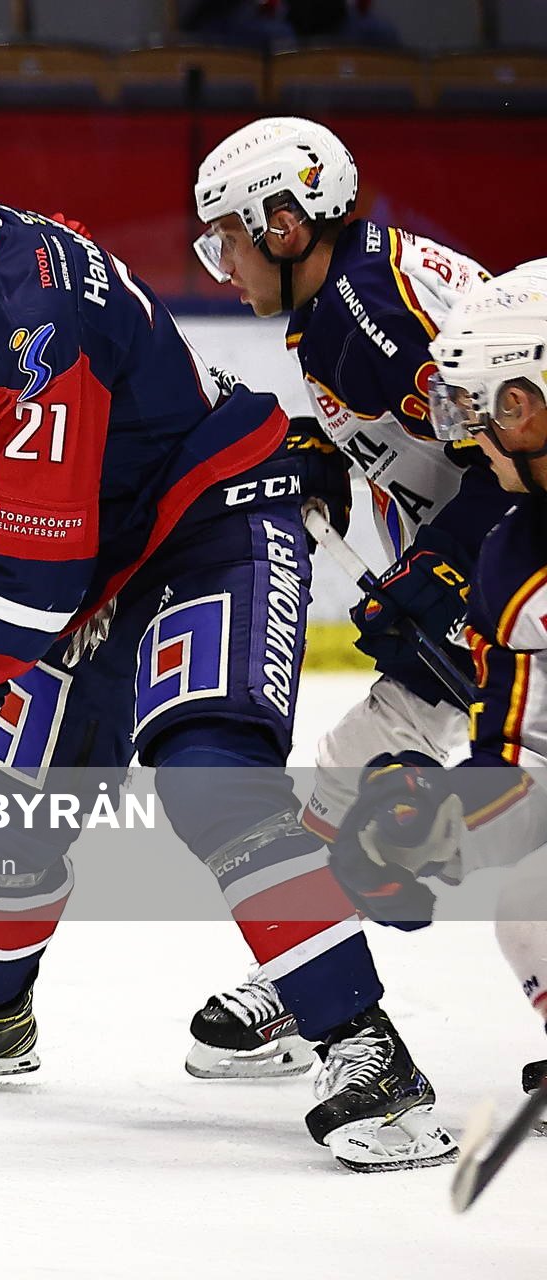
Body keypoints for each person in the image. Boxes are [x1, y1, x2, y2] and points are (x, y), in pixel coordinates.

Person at [0, 101, 450, 1169]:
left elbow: (42, 567)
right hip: (109, 564)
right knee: (19, 788)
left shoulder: (25, 320)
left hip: (212, 529)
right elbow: (45, 547)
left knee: (211, 778)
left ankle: (368, 1050)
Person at [183, 116, 502, 1078]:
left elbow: (504, 456)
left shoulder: (373, 307)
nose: (219, 265)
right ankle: (308, 972)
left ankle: (310, 965)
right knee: (355, 768)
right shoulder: (344, 295)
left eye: (227, 239)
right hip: (498, 560)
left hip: (513, 563)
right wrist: (331, 458)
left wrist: (442, 570)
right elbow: (437, 456)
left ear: (284, 223)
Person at [326, 261, 547, 1120]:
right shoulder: (510, 557)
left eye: (481, 409)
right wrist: (433, 833)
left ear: (526, 401)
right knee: (531, 905)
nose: (472, 439)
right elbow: (518, 760)